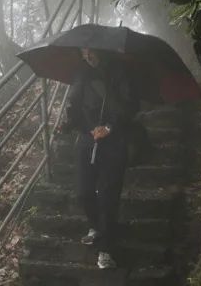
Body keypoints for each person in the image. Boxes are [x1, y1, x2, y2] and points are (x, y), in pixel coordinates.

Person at [63, 47, 138, 269]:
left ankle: (106, 250)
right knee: (83, 192)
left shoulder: (120, 72)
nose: (88, 57)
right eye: (83, 53)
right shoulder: (81, 73)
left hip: (114, 141)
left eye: (91, 52)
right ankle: (98, 226)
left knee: (107, 194)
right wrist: (68, 123)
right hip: (88, 139)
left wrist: (109, 126)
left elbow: (131, 105)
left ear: (101, 51)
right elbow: (75, 106)